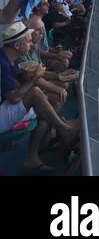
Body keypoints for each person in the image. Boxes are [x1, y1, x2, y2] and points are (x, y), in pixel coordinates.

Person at [0, 21, 80, 173]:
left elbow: (16, 86)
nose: (31, 44)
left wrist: (42, 79)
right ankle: (64, 130)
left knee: (52, 98)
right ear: (17, 46)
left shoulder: (6, 58)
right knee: (36, 93)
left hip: (4, 105)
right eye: (28, 41)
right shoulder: (3, 64)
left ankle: (34, 154)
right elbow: (14, 98)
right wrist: (34, 78)